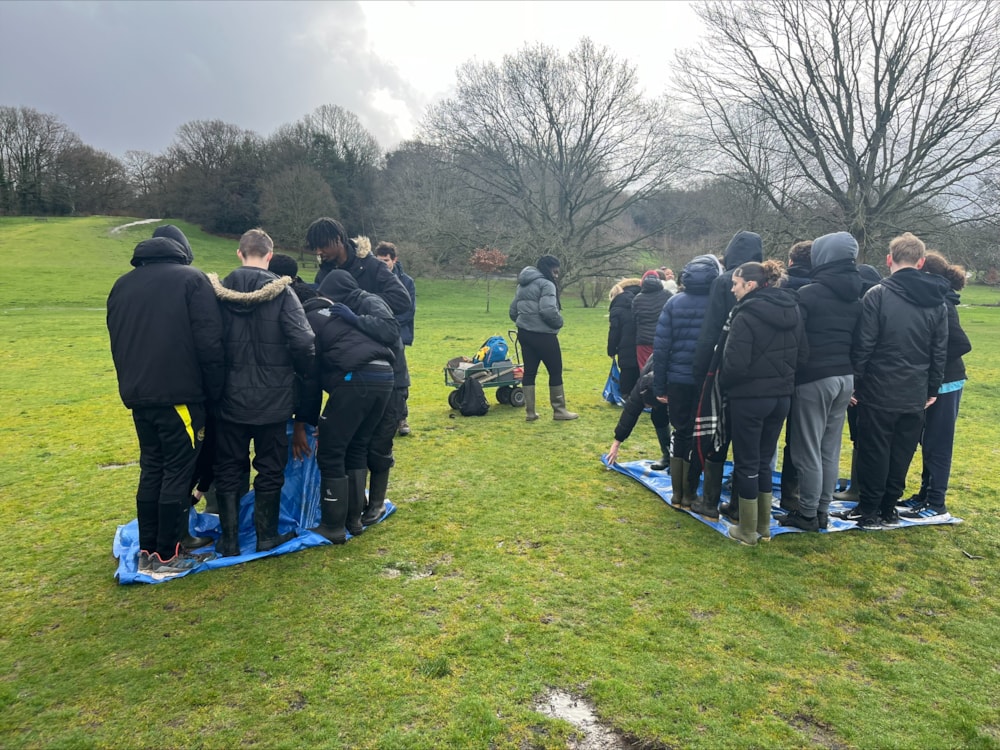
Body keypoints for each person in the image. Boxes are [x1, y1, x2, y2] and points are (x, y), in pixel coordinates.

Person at [107, 227, 224, 577]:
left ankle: (149, 550)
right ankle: (169, 555)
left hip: (139, 396)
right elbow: (209, 343)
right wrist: (214, 393)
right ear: (183, 252)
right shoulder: (192, 281)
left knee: (153, 469)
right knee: (177, 471)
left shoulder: (121, 286)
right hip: (180, 395)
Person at [209, 229, 315, 556]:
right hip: (274, 400)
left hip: (228, 400)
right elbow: (304, 341)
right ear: (269, 255)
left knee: (228, 468)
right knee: (270, 468)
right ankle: (266, 535)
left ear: (239, 254)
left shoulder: (216, 291)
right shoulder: (283, 294)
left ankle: (228, 541)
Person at [842, 232, 948, 529]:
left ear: (889, 260)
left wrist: (855, 382)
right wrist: (932, 387)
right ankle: (888, 508)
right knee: (902, 451)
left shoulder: (877, 294)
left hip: (879, 387)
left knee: (875, 449)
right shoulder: (937, 303)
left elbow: (864, 343)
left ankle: (871, 509)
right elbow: (939, 350)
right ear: (921, 261)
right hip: (914, 389)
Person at [299, 270, 398, 543]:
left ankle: (333, 525)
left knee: (331, 452)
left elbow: (311, 377)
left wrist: (308, 419)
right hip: (385, 376)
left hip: (357, 378)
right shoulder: (343, 317)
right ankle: (353, 521)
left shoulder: (309, 322)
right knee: (357, 447)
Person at [721, 260, 808, 545]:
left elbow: (734, 364)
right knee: (764, 462)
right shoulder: (793, 309)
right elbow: (803, 355)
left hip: (749, 399)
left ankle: (747, 530)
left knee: (747, 463)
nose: (732, 289)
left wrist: (728, 388)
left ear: (750, 284)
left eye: (735, 283)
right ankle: (763, 527)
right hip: (780, 399)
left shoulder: (744, 314)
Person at [782, 232, 862, 532]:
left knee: (806, 451)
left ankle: (806, 514)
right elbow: (860, 342)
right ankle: (822, 511)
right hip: (845, 379)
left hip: (813, 379)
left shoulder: (809, 294)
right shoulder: (856, 295)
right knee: (829, 448)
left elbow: (796, 341)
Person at [691, 231, 763, 520]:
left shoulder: (723, 282)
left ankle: (709, 502)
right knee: (751, 443)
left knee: (718, 433)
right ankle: (738, 505)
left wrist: (701, 370)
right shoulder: (769, 284)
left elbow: (710, 329)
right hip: (763, 375)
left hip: (725, 366)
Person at [897, 251, 971, 522]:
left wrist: (931, 359)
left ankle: (937, 502)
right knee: (926, 441)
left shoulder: (943, 303)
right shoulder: (933, 299)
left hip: (947, 383)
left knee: (938, 444)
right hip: (932, 382)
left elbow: (961, 344)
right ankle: (924, 494)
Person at [652, 254, 721, 509]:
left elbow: (661, 348)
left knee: (680, 432)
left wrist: (660, 385)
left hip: (677, 379)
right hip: (705, 380)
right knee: (699, 434)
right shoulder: (718, 304)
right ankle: (691, 492)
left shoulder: (673, 303)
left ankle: (678, 494)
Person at [832, 263, 884, 502]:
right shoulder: (881, 305)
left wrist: (854, 383)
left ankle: (857, 489)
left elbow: (862, 349)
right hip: (873, 381)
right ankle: (860, 486)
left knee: (861, 434)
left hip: (863, 382)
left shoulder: (864, 309)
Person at [509, 255, 578, 421]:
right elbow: (548, 311)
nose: (556, 275)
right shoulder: (546, 284)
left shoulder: (522, 285)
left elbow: (512, 311)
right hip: (544, 336)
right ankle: (559, 410)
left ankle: (530, 413)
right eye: (555, 271)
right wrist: (559, 322)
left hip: (524, 334)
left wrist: (524, 322)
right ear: (548, 269)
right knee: (555, 371)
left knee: (530, 372)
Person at [776, 240, 812, 511]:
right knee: (800, 438)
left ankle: (756, 488)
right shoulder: (824, 290)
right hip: (811, 370)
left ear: (790, 261)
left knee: (766, 432)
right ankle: (792, 492)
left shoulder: (782, 286)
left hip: (778, 367)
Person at [374, 241, 416, 436]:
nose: (383, 265)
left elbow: (408, 311)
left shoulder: (406, 282)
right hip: (375, 336)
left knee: (399, 378)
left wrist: (387, 325)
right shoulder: (372, 279)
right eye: (379, 261)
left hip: (396, 335)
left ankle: (401, 418)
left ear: (394, 260)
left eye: (386, 261)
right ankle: (381, 418)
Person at [605, 359, 670, 472]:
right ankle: (668, 456)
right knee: (659, 417)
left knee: (682, 422)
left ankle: (685, 461)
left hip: (683, 380)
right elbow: (630, 413)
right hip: (661, 380)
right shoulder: (642, 386)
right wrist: (616, 443)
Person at [607, 277, 643, 399]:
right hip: (641, 341)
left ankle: (625, 394)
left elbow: (614, 331)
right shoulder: (639, 301)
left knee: (626, 370)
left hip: (624, 344)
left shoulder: (617, 308)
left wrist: (611, 349)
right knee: (639, 368)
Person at [632, 269, 672, 370]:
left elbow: (634, 320)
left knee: (644, 370)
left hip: (643, 342)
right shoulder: (667, 295)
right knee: (662, 369)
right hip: (663, 339)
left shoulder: (637, 299)